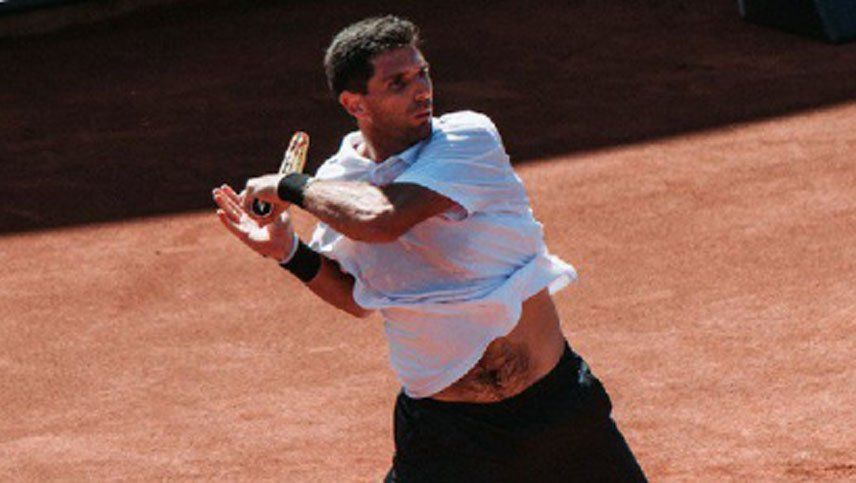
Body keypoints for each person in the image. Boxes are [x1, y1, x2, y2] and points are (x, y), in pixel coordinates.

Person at [212, 15, 647, 482]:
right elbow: (356, 297)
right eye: (398, 82)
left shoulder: (466, 137)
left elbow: (383, 218)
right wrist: (288, 251)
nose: (422, 90)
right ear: (354, 102)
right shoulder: (336, 185)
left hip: (556, 414)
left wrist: (290, 185)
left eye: (423, 74)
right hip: (447, 438)